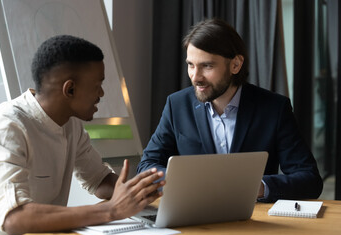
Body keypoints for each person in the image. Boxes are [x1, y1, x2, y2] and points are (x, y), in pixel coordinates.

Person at [0, 35, 165, 235]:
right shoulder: (7, 127)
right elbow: (14, 219)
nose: (102, 93)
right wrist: (111, 211)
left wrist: (142, 192)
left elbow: (99, 180)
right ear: (70, 89)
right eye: (98, 85)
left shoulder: (71, 123)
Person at [137, 18, 323, 203]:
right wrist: (186, 182)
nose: (195, 77)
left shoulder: (274, 108)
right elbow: (146, 166)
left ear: (235, 64)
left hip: (254, 221)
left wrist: (256, 186)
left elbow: (310, 180)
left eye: (207, 66)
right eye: (191, 65)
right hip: (193, 217)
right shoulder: (176, 105)